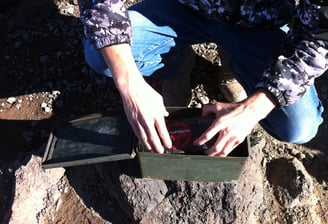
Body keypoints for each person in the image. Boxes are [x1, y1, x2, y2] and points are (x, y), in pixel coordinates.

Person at [77, 0, 328, 156]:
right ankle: (176, 67)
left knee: (298, 126)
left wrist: (254, 107)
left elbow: (320, 38)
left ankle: (233, 66)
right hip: (185, 8)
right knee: (101, 57)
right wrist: (129, 83)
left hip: (262, 25)